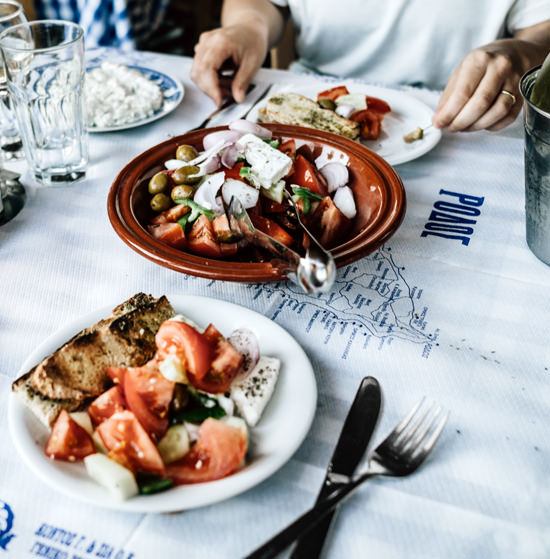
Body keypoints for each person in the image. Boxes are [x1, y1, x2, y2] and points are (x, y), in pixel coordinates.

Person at [191, 0, 550, 132]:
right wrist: (248, 27)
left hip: (468, 120)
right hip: (307, 109)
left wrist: (521, 55)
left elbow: (541, 28)